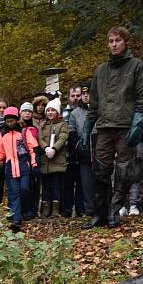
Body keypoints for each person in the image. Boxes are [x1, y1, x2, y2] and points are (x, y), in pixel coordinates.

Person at [81, 25, 143, 229]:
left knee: (124, 171)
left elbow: (141, 98)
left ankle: (114, 211)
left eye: (117, 40)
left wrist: (138, 121)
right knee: (101, 171)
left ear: (126, 42)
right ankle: (100, 213)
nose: (113, 44)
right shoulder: (101, 70)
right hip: (103, 127)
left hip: (125, 126)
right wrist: (87, 127)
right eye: (110, 41)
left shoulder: (137, 66)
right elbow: (94, 103)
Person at [0, 106, 38, 231]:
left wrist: (34, 163)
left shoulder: (23, 131)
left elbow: (32, 148)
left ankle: (27, 210)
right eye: (7, 121)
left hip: (24, 166)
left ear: (17, 119)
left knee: (25, 189)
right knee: (14, 193)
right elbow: (1, 152)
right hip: (10, 167)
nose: (10, 123)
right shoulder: (3, 134)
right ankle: (16, 220)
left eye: (12, 120)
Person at [38, 98, 68, 219]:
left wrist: (54, 149)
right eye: (48, 110)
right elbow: (40, 138)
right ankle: (45, 209)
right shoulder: (43, 125)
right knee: (45, 187)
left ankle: (55, 210)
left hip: (57, 161)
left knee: (56, 186)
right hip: (45, 162)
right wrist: (45, 148)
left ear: (57, 112)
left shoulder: (62, 124)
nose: (50, 112)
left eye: (53, 110)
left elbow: (63, 138)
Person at [68, 87, 95, 217]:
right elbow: (72, 133)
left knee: (102, 179)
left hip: (99, 150)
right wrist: (78, 147)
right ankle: (89, 209)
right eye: (83, 94)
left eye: (87, 94)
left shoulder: (100, 110)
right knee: (86, 182)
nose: (85, 96)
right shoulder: (75, 113)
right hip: (84, 151)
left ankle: (103, 206)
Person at [61, 85, 85, 217]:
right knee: (68, 183)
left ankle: (81, 208)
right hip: (66, 154)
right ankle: (67, 208)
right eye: (73, 96)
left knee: (81, 182)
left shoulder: (85, 111)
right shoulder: (63, 113)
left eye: (78, 95)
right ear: (69, 97)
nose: (75, 98)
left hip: (82, 153)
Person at [19, 102, 40, 219]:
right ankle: (22, 210)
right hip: (20, 161)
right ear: (20, 112)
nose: (27, 113)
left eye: (29, 111)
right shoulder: (16, 126)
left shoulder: (34, 127)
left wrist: (35, 162)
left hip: (32, 159)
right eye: (25, 111)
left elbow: (35, 146)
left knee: (33, 186)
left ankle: (32, 210)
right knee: (23, 187)